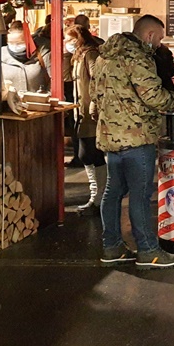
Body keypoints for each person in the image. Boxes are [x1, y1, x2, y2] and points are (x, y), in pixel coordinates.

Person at [93, 15, 174, 268]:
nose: (159, 44)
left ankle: (111, 246)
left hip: (111, 137)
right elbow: (155, 97)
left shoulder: (104, 57)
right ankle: (148, 250)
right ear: (148, 35)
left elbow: (95, 93)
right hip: (137, 137)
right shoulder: (138, 58)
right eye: (159, 38)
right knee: (140, 193)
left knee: (113, 192)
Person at [66, 25, 105, 216]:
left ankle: (99, 197)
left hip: (90, 113)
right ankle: (96, 196)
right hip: (81, 113)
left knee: (89, 153)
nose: (67, 44)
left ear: (78, 38)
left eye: (70, 39)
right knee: (87, 154)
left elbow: (98, 80)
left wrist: (94, 105)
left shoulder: (90, 55)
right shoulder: (78, 57)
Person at [1, 21, 49, 94]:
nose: (15, 46)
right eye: (10, 42)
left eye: (19, 43)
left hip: (37, 103)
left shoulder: (41, 53)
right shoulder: (0, 55)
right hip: (9, 104)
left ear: (28, 41)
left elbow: (53, 80)